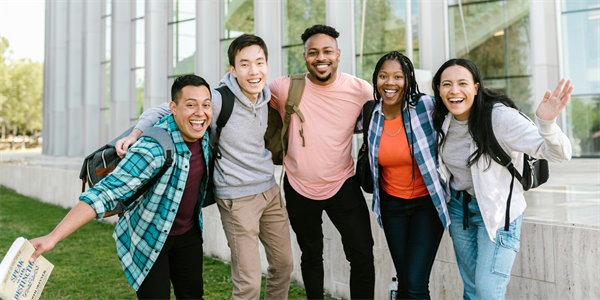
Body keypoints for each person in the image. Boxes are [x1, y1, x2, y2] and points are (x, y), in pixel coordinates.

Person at [116, 34, 293, 300]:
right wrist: (135, 134)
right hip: (237, 199)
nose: (253, 71)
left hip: (270, 192)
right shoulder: (219, 99)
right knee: (249, 284)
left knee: (284, 265)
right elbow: (164, 110)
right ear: (232, 69)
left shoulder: (267, 96)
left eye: (260, 62)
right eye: (244, 64)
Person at [29, 75, 214, 299]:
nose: (200, 113)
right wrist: (54, 236)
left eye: (206, 104)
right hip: (148, 236)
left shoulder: (204, 135)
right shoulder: (153, 148)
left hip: (188, 233)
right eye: (191, 105)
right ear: (173, 108)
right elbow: (105, 192)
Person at [431, 58, 573, 300]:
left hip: (498, 213)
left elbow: (559, 153)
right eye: (446, 84)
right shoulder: (442, 119)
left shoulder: (500, 118)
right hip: (459, 211)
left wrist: (547, 124)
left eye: (462, 83)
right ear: (439, 90)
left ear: (476, 87)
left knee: (487, 293)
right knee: (472, 290)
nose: (454, 91)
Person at [268, 24, 375, 300]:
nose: (320, 57)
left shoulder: (360, 90)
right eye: (313, 52)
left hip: (343, 183)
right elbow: (241, 94)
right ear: (305, 57)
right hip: (298, 186)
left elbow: (395, 104)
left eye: (327, 51)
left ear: (338, 55)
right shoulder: (284, 88)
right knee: (311, 254)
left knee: (362, 255)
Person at [358, 51, 448, 299]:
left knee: (416, 282)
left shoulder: (426, 106)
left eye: (398, 76)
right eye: (383, 76)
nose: (390, 83)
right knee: (406, 280)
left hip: (426, 205)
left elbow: (462, 110)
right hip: (391, 206)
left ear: (408, 80)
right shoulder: (371, 114)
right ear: (375, 79)